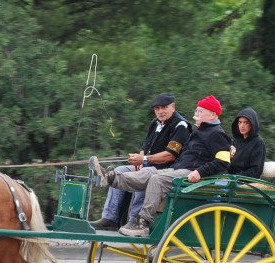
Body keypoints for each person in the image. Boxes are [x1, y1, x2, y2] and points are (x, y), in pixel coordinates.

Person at [90, 95, 232, 237]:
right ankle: (110, 179)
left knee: (156, 180)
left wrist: (200, 172)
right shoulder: (201, 132)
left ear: (213, 114)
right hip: (179, 169)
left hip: (192, 175)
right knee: (148, 173)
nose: (196, 114)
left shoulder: (216, 134)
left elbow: (223, 162)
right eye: (196, 111)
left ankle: (143, 222)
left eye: (200, 111)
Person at [89, 93, 192, 230]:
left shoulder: (181, 125)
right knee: (120, 170)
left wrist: (143, 160)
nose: (160, 111)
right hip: (148, 165)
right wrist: (140, 160)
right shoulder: (155, 123)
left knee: (143, 175)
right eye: (157, 108)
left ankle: (134, 221)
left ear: (173, 106)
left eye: (164, 107)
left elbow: (170, 155)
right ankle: (110, 218)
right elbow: (145, 147)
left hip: (166, 169)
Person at [229, 107, 266, 178]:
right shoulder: (235, 142)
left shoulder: (258, 143)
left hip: (246, 182)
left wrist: (235, 177)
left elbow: (255, 171)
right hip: (230, 180)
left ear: (252, 124)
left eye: (246, 122)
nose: (242, 126)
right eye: (240, 122)